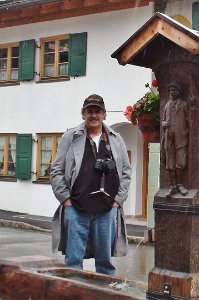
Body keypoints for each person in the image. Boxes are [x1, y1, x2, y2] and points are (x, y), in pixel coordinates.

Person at [50, 94, 132, 275]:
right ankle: (74, 293)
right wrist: (65, 199)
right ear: (83, 114)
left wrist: (118, 200)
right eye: (90, 111)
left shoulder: (115, 139)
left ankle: (104, 294)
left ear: (104, 114)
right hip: (76, 208)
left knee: (105, 262)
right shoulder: (71, 137)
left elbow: (126, 172)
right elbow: (56, 170)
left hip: (107, 209)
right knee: (73, 261)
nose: (93, 115)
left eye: (98, 111)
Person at [162, 81, 189, 197]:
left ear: (178, 92)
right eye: (170, 91)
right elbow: (163, 120)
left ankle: (180, 185)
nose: (172, 92)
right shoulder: (167, 105)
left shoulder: (183, 104)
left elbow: (189, 118)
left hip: (180, 137)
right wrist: (164, 124)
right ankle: (173, 186)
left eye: (174, 90)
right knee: (170, 163)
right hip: (169, 137)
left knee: (181, 162)